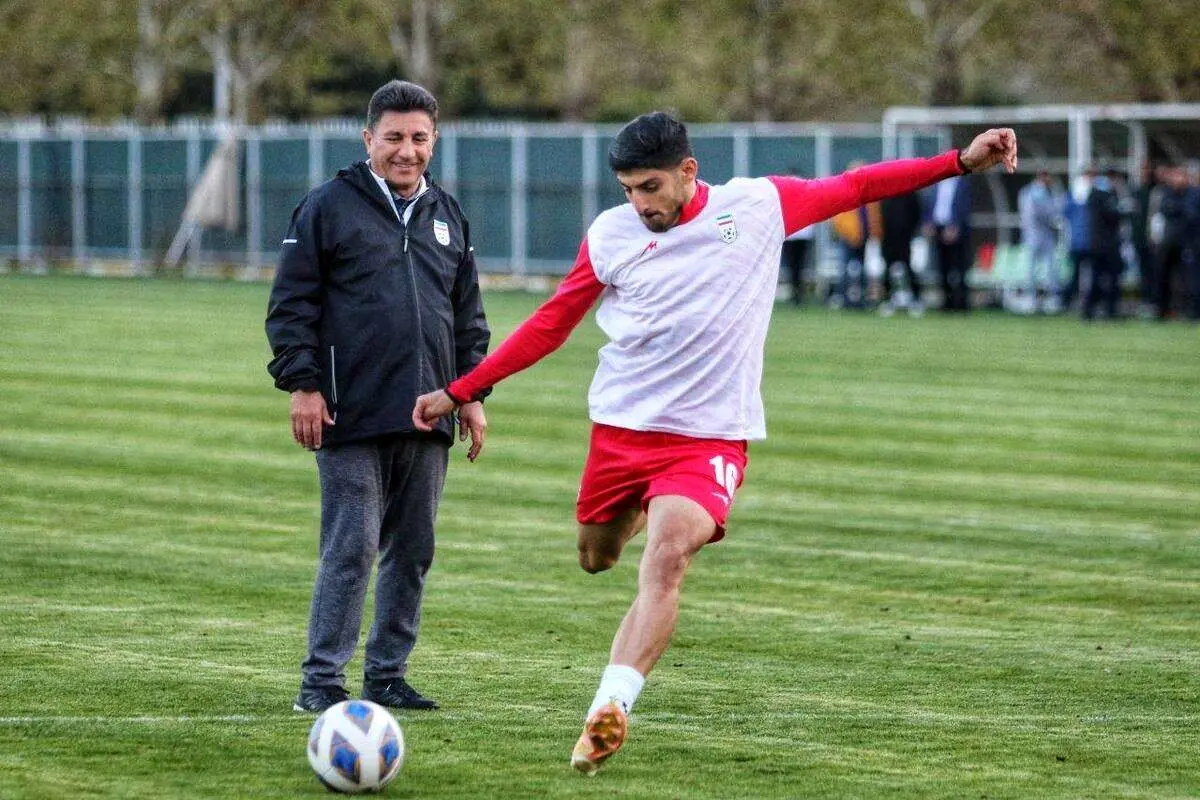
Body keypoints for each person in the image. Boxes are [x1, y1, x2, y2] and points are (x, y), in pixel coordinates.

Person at [412, 112, 1018, 775]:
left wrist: (959, 161)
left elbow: (857, 186)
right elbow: (553, 323)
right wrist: (463, 389)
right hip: (621, 432)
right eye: (628, 190)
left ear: (688, 171)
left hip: (709, 439)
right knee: (596, 557)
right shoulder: (610, 234)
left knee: (668, 556)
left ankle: (610, 707)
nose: (639, 204)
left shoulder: (756, 207)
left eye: (650, 187)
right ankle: (642, 508)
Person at [265, 80, 491, 715]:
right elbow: (290, 307)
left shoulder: (449, 214)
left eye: (419, 138)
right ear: (369, 139)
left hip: (431, 411)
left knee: (412, 552)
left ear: (434, 141)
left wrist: (471, 393)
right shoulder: (327, 207)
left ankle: (387, 676)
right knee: (352, 547)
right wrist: (304, 385)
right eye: (393, 137)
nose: (406, 151)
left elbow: (468, 316)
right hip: (350, 411)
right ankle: (321, 682)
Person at [922, 170, 973, 311]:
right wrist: (928, 222)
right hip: (938, 229)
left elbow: (965, 206)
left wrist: (955, 226)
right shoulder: (935, 184)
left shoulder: (963, 184)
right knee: (942, 268)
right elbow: (929, 205)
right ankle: (947, 302)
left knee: (959, 268)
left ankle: (961, 303)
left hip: (957, 231)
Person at [1014, 170, 1062, 314]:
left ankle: (1048, 299)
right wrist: (1052, 219)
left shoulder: (1043, 192)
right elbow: (1040, 214)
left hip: (1042, 236)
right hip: (1034, 235)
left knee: (1049, 269)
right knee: (1031, 270)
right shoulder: (1032, 193)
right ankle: (1032, 299)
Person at [878, 190, 926, 317]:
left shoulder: (910, 192)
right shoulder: (885, 192)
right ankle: (887, 300)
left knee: (908, 268)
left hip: (905, 238)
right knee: (887, 269)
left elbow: (916, 213)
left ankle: (916, 300)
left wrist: (910, 231)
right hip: (888, 238)